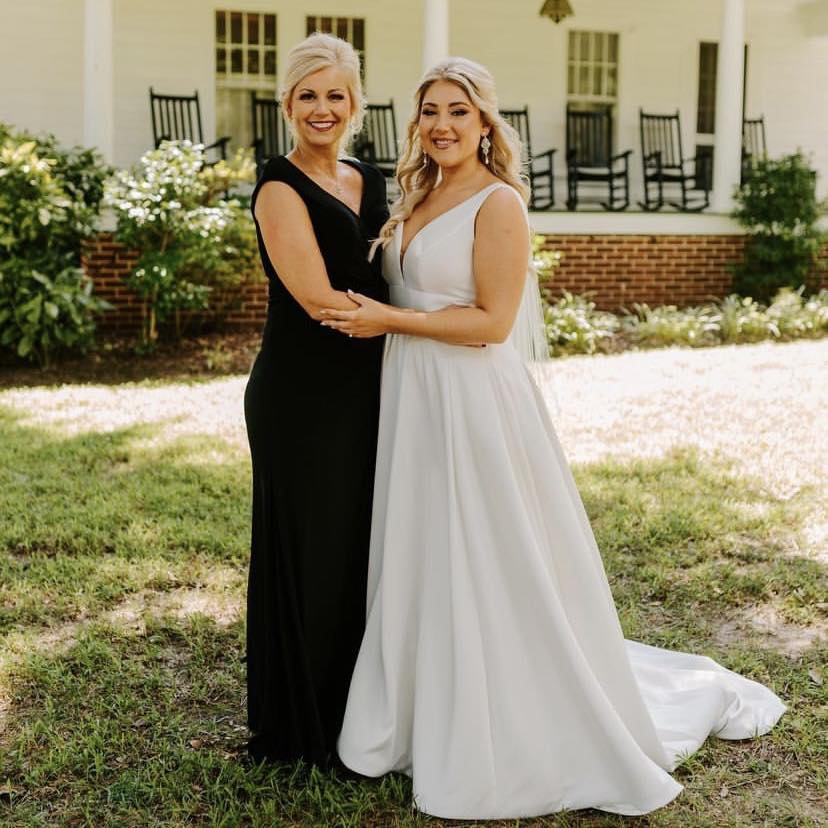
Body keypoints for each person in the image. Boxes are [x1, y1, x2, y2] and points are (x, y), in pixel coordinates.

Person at [321, 58, 786, 819]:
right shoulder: (418, 194)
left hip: (471, 398)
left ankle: (504, 707)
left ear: (484, 124)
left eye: (458, 112)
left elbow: (491, 324)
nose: (441, 124)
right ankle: (416, 706)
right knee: (425, 546)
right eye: (429, 111)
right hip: (414, 397)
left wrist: (387, 322)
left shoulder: (499, 202)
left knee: (485, 548)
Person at [243, 32, 389, 767]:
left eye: (336, 95)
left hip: (375, 392)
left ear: (356, 103)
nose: (323, 109)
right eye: (309, 95)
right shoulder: (278, 186)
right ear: (288, 105)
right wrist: (409, 325)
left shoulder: (375, 179)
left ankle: (361, 715)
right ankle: (300, 727)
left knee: (361, 549)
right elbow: (317, 299)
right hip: (302, 397)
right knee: (311, 551)